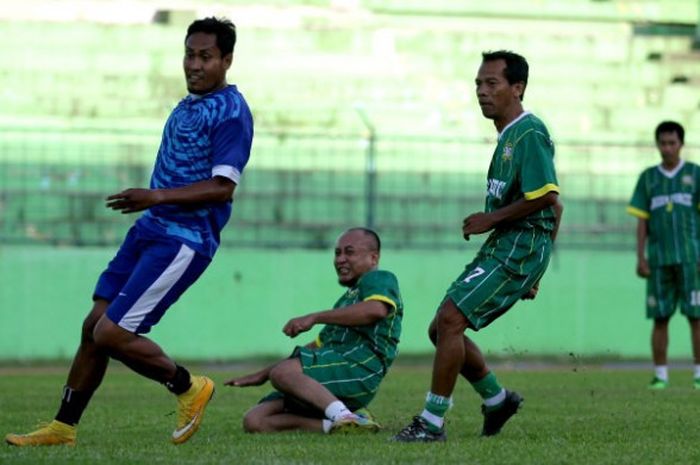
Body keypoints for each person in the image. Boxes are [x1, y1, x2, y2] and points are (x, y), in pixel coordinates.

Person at [5, 17, 254, 447]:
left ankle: (189, 387)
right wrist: (152, 206)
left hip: (184, 239)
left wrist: (156, 197)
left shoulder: (232, 111)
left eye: (205, 57)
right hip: (150, 230)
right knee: (94, 326)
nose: (194, 65)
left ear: (227, 60)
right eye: (189, 54)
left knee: (112, 333)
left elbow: (223, 188)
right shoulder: (187, 105)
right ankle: (63, 428)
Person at [392, 50, 562, 442]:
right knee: (441, 328)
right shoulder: (508, 137)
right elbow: (559, 206)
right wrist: (535, 270)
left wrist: (494, 222)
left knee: (451, 320)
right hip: (513, 246)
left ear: (516, 88)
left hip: (519, 244)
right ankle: (497, 399)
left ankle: (431, 423)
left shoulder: (529, 132)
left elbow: (547, 196)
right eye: (478, 84)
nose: (482, 92)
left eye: (492, 83)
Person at [225, 227, 403, 434]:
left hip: (359, 370)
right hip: (335, 369)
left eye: (349, 252)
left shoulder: (380, 279)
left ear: (374, 258)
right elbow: (317, 346)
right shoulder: (344, 303)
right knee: (255, 420)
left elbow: (376, 310)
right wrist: (263, 374)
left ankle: (344, 416)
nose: (340, 259)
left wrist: (314, 317)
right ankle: (343, 425)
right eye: (337, 253)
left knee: (283, 373)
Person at [627, 121, 700, 390]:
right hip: (658, 260)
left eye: (672, 143)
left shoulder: (696, 174)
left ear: (681, 144)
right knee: (660, 317)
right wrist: (641, 257)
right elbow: (642, 221)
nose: (667, 148)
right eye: (663, 143)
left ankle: (698, 374)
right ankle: (660, 375)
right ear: (657, 144)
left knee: (696, 316)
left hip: (692, 258)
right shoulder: (648, 178)